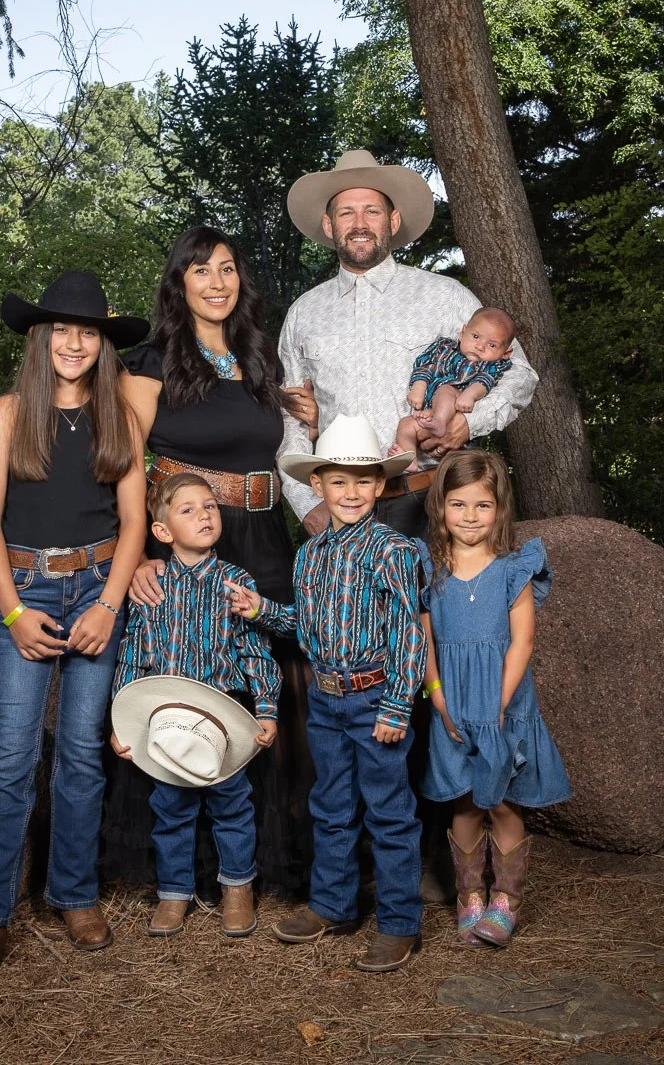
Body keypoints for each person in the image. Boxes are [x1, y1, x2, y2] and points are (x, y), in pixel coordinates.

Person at [0, 271, 148, 972]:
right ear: (40, 338)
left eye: (88, 333)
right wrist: (14, 612)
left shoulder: (119, 419)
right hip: (25, 589)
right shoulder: (8, 414)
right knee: (13, 755)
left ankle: (74, 894)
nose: (75, 343)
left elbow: (135, 522)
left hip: (98, 590)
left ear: (103, 345)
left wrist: (109, 605)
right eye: (62, 331)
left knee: (81, 751)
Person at [114, 226, 313, 896]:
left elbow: (286, 448)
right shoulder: (150, 363)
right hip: (185, 541)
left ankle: (263, 861)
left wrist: (309, 416)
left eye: (227, 269)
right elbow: (125, 469)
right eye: (201, 270)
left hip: (265, 537)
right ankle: (186, 867)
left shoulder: (261, 360)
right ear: (180, 283)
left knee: (267, 676)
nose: (217, 282)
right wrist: (140, 555)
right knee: (186, 680)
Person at [233, 415, 428, 974]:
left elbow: (408, 630)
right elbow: (307, 625)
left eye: (363, 480)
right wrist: (261, 610)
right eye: (338, 481)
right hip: (324, 700)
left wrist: (397, 704)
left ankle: (399, 924)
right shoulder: (309, 554)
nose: (351, 492)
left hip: (375, 699)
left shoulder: (394, 550)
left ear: (381, 485)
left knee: (389, 812)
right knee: (331, 805)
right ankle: (333, 904)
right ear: (317, 484)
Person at [279, 149, 538, 540]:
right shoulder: (304, 312)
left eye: (372, 211)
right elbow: (290, 415)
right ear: (329, 225)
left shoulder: (444, 296)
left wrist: (468, 422)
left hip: (433, 499)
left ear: (393, 221)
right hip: (343, 507)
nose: (359, 224)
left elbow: (519, 372)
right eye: (346, 213)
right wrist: (305, 502)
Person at [110, 472, 280, 938]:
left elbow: (254, 650)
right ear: (162, 531)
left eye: (210, 506)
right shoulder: (152, 585)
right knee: (171, 807)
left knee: (233, 804)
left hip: (223, 716)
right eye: (188, 510)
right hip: (166, 720)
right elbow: (134, 653)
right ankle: (173, 892)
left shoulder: (235, 581)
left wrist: (266, 707)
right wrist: (121, 720)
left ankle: (238, 887)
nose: (204, 515)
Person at [420, 450, 571, 946]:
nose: (470, 516)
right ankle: (469, 896)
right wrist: (437, 697)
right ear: (440, 507)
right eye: (458, 504)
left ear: (499, 509)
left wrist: (498, 705)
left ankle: (507, 901)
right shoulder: (428, 569)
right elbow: (425, 642)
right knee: (465, 804)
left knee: (503, 803)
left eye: (482, 505)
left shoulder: (513, 570)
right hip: (453, 705)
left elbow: (522, 642)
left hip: (502, 705)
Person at [391, 308, 516, 464]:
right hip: (431, 411)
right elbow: (425, 366)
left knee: (445, 390)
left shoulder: (492, 365)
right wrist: (418, 387)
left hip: (458, 408)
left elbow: (484, 381)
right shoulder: (444, 348)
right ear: (462, 333)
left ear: (505, 353)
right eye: (476, 337)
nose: (480, 346)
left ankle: (439, 422)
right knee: (406, 424)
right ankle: (408, 460)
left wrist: (470, 395)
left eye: (491, 345)